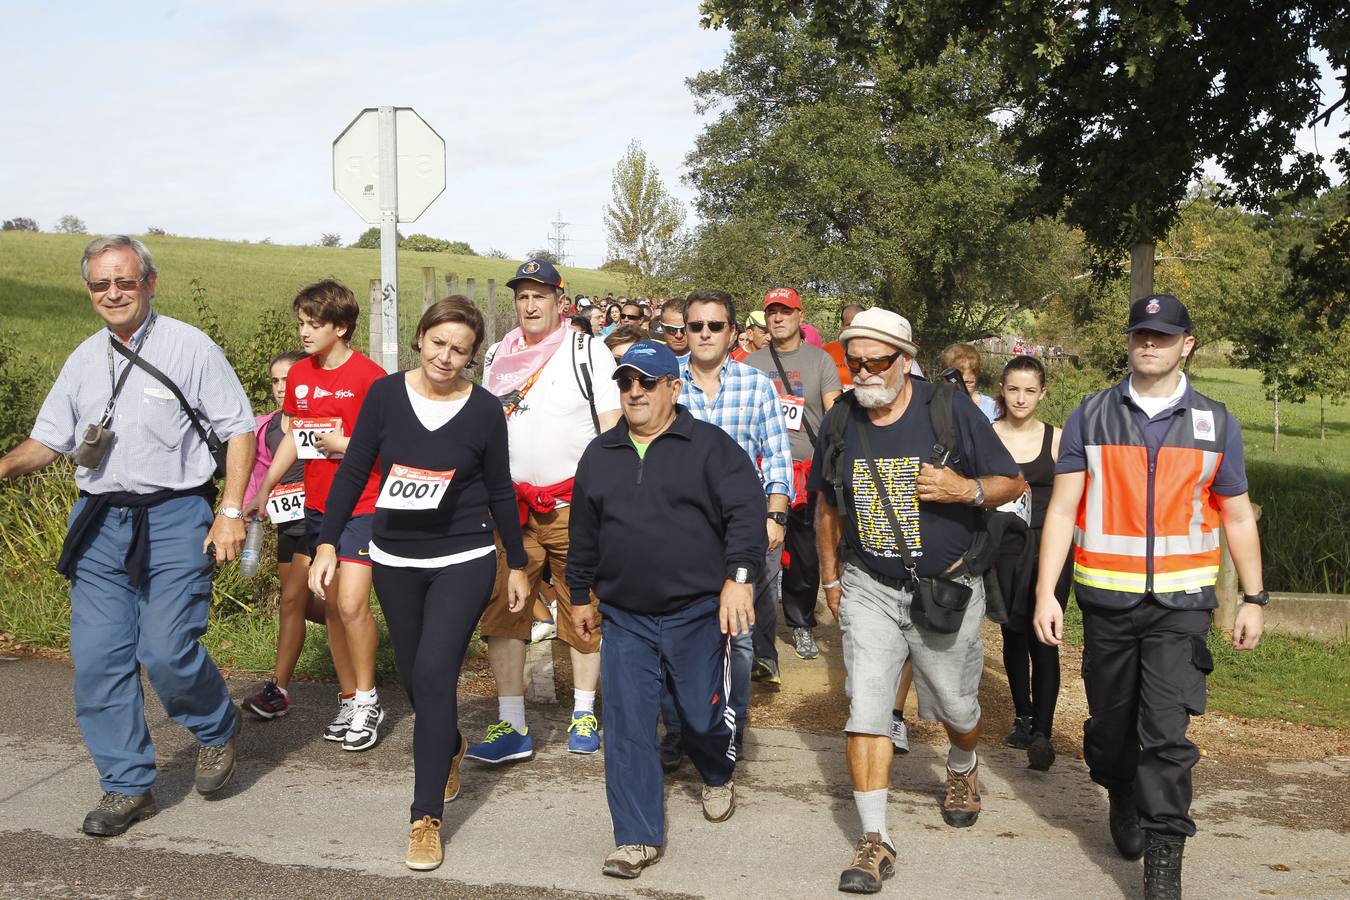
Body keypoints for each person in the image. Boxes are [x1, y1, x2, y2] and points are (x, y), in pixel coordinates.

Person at [0, 235, 255, 836]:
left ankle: (216, 724)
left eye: (124, 281)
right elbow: (51, 439)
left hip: (175, 517)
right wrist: (6, 466)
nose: (112, 293)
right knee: (97, 661)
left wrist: (232, 511)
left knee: (165, 649)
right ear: (90, 291)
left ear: (149, 282)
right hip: (98, 524)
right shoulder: (83, 359)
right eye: (99, 284)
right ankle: (125, 784)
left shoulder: (190, 346)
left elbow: (238, 429)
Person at [1033, 294, 1266, 900]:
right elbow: (1061, 511)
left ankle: (1166, 855)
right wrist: (1046, 593)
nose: (1150, 344)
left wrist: (1253, 597)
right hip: (1107, 603)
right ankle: (1119, 789)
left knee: (1166, 734)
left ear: (1187, 344)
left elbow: (1237, 517)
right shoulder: (1091, 414)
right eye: (1142, 334)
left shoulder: (1216, 421)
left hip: (1182, 607)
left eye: (1163, 336)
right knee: (1112, 731)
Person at [307, 297, 530, 871]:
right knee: (413, 678)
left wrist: (520, 565)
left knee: (435, 674)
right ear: (420, 338)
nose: (446, 357)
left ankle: (424, 816)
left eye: (460, 349)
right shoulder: (384, 396)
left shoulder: (483, 410)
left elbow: (501, 488)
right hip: (395, 556)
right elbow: (355, 468)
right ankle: (448, 744)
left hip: (465, 554)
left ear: (473, 356)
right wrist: (328, 540)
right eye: (438, 343)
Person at [810, 308, 1024, 894]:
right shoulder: (841, 420)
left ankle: (961, 766)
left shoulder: (949, 409)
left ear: (905, 361)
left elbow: (1012, 482)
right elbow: (826, 504)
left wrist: (966, 490)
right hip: (868, 588)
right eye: (853, 361)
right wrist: (831, 579)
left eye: (876, 361)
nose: (862, 372)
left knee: (957, 709)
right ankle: (875, 839)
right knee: (867, 707)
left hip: (945, 590)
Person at [565, 340, 767, 879]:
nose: (634, 392)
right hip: (626, 615)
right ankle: (635, 837)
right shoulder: (600, 454)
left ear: (673, 389)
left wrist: (739, 580)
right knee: (628, 723)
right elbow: (582, 534)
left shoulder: (711, 447)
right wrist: (580, 595)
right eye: (626, 383)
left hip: (699, 612)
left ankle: (717, 770)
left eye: (646, 383)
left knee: (701, 717)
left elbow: (746, 517)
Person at [470, 258, 622, 762]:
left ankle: (583, 712)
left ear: (561, 301)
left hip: (572, 506)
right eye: (522, 295)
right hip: (509, 509)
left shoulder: (588, 351)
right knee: (503, 608)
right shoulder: (496, 354)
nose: (529, 304)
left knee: (585, 607)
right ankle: (511, 724)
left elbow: (612, 422)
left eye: (540, 295)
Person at [245, 280, 388, 751]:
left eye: (315, 324)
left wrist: (345, 446)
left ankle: (368, 700)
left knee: (350, 605)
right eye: (302, 323)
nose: (304, 332)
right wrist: (265, 485)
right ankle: (349, 697)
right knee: (329, 606)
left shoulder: (370, 377)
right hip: (317, 506)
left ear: (341, 327)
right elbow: (293, 435)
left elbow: (389, 446)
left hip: (364, 506)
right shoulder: (301, 375)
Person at [661, 289, 794, 769]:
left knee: (738, 639)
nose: (703, 335)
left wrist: (776, 515)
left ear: (732, 333)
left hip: (739, 533)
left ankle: (728, 731)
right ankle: (676, 730)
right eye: (694, 326)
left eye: (714, 326)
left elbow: (778, 455)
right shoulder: (665, 383)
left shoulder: (757, 386)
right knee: (674, 636)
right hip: (676, 533)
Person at [746, 287, 842, 667]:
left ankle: (800, 620)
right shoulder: (750, 362)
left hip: (808, 472)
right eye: (772, 312)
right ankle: (755, 629)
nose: (778, 317)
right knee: (758, 549)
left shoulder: (821, 361)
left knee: (805, 554)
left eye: (786, 311)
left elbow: (833, 416)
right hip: (761, 471)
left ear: (800, 316)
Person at [990, 356, 1067, 770]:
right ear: (1002, 388)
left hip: (1049, 549)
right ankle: (1023, 716)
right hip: (1004, 548)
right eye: (1014, 389)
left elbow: (1075, 498)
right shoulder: (987, 435)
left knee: (1046, 637)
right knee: (1014, 635)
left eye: (1030, 391)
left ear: (1042, 394)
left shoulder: (1057, 439)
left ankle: (1044, 732)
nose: (1021, 398)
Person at [241, 350, 326, 720]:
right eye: (275, 380)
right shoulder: (269, 426)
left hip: (318, 521)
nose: (281, 387)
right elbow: (259, 471)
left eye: (288, 379)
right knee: (306, 605)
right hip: (284, 522)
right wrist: (247, 506)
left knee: (291, 601)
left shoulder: (321, 419)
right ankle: (357, 627)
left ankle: (278, 689)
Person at [941, 343, 998, 422]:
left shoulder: (991, 408)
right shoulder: (938, 406)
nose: (969, 378)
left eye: (973, 371)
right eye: (961, 372)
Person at [824, 304, 866, 389]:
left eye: (858, 323)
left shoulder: (877, 351)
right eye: (849, 324)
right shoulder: (826, 351)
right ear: (843, 326)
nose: (854, 328)